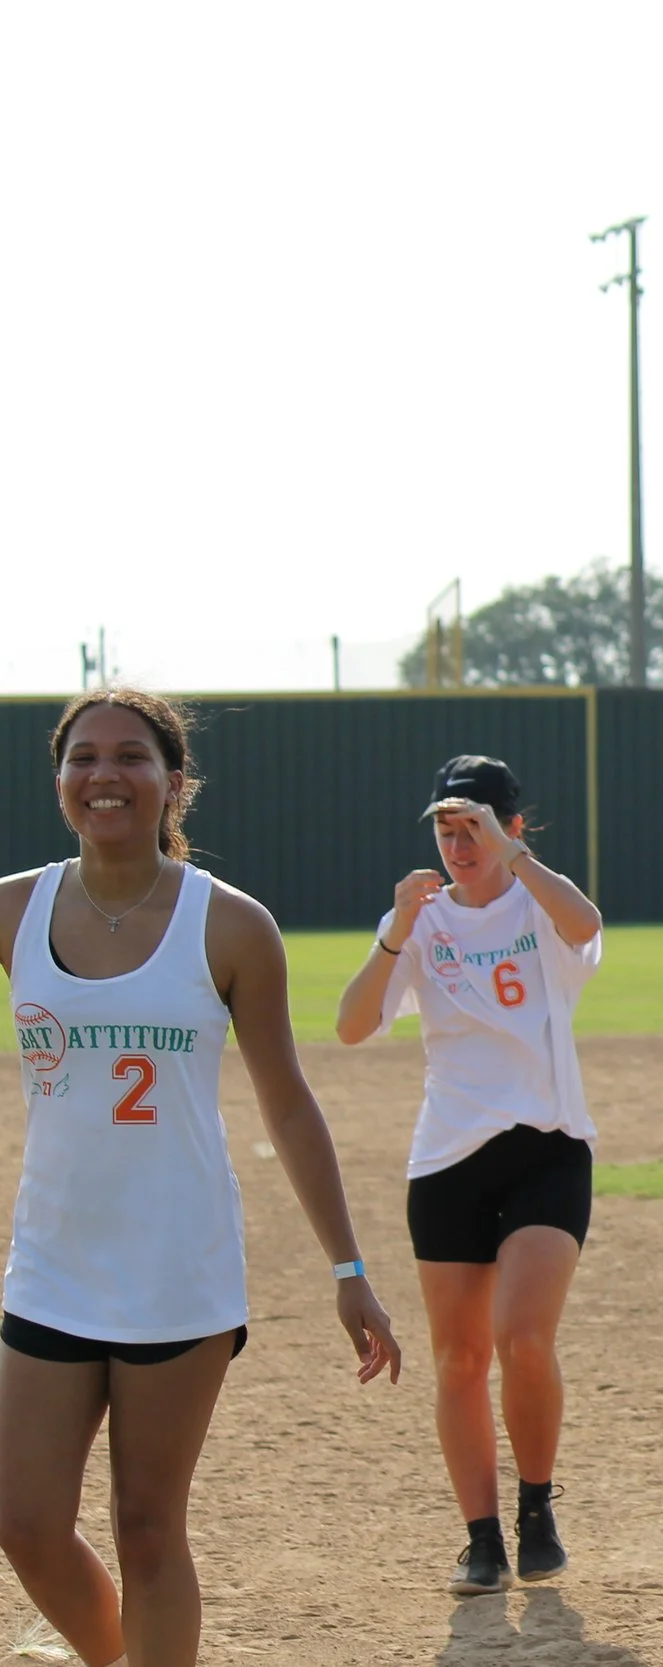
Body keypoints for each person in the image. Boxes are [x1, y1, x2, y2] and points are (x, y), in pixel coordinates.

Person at [0, 688, 402, 1667]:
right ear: (58, 780)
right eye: (83, 757)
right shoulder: (14, 906)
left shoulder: (231, 926)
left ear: (175, 781)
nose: (106, 774)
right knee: (25, 1519)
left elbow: (289, 1102)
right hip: (53, 1259)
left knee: (147, 1524)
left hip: (179, 1269)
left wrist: (348, 1265)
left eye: (132, 757)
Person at [334, 754, 604, 1594]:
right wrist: (394, 929)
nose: (459, 844)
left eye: (475, 827)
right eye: (447, 830)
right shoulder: (426, 922)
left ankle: (536, 1506)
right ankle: (481, 1537)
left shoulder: (541, 903)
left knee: (523, 1336)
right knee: (459, 1359)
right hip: (448, 1160)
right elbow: (350, 1025)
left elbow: (586, 920)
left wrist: (513, 856)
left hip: (548, 1149)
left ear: (513, 828)